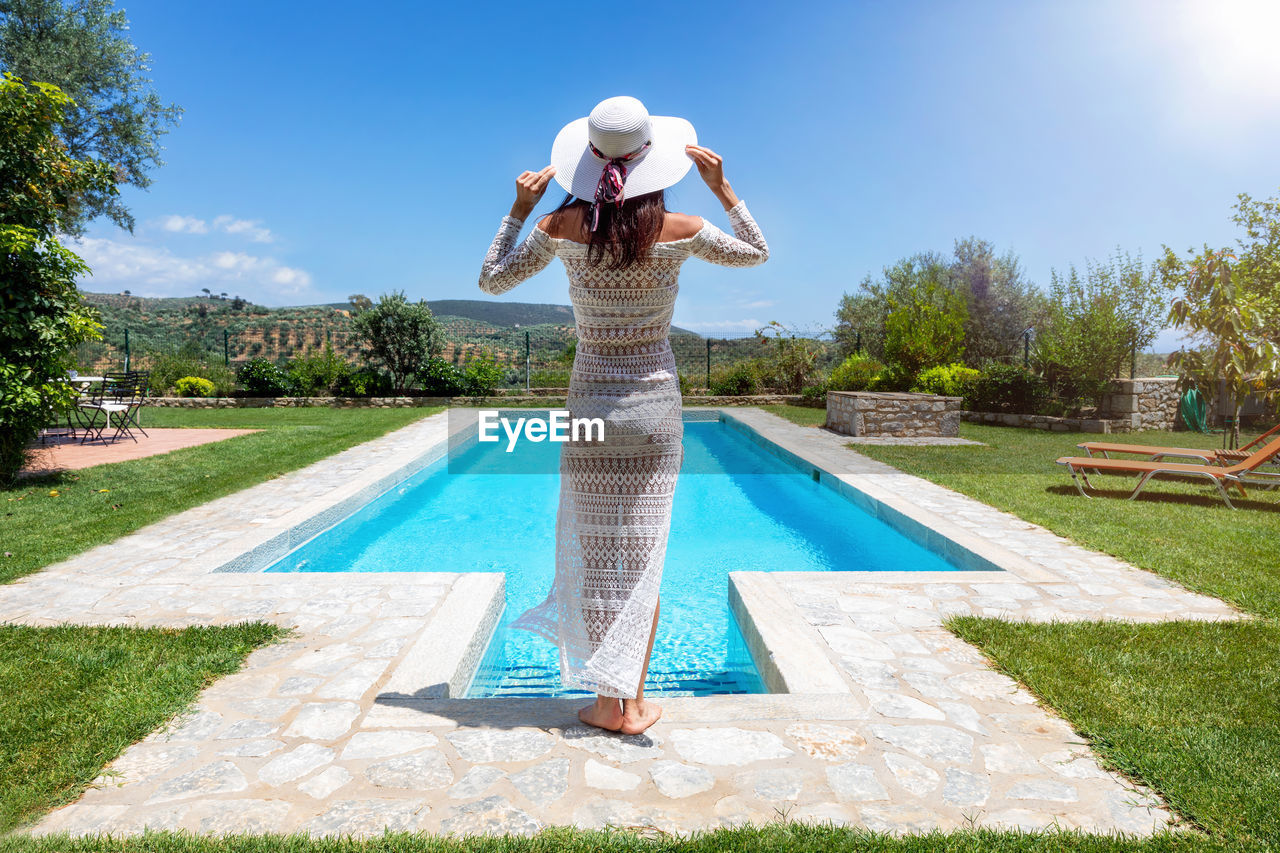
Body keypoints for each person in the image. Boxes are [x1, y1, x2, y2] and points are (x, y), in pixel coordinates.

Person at [478, 95, 768, 735]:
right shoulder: (683, 229)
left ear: (587, 160)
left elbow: (491, 281)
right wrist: (724, 191)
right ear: (654, 163)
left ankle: (606, 704)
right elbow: (757, 252)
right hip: (654, 411)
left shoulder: (558, 229)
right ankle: (631, 705)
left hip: (590, 411)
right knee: (642, 562)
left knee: (598, 557)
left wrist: (519, 211)